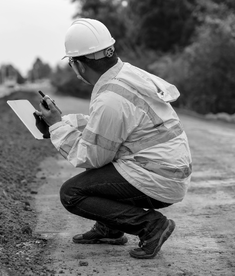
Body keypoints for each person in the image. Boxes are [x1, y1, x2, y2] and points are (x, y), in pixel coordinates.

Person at [35, 18, 192, 259]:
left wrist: (56, 126)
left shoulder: (111, 98)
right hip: (168, 169)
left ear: (79, 65)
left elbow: (89, 156)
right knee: (104, 170)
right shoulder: (126, 75)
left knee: (72, 193)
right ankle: (110, 227)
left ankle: (151, 226)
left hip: (158, 176)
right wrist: (59, 123)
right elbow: (103, 127)